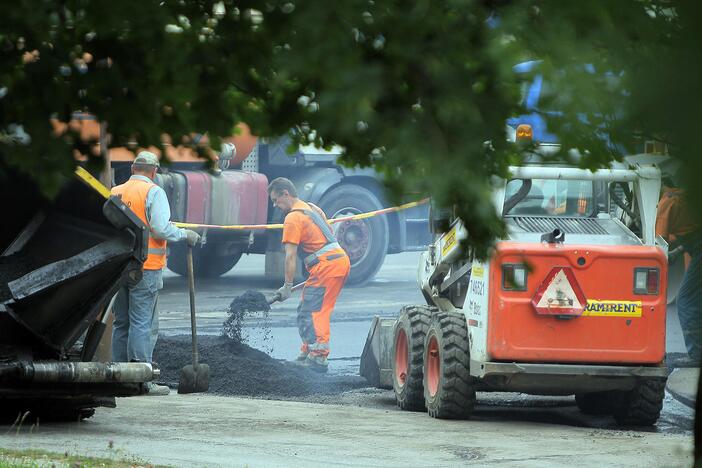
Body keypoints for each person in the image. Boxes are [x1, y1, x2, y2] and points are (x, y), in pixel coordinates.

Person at [110, 151, 201, 395]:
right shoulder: (154, 192)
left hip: (119, 267)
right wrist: (184, 234)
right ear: (154, 171)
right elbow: (160, 229)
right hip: (145, 267)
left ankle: (117, 378)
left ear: (132, 169)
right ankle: (140, 380)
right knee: (142, 322)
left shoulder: (115, 192)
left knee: (121, 323)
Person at [268, 177, 350, 373]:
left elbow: (290, 256)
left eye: (275, 200)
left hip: (326, 267)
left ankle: (318, 359)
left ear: (285, 194)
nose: (275, 205)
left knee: (313, 311)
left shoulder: (293, 218)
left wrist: (287, 285)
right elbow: (327, 235)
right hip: (337, 261)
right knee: (307, 308)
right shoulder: (311, 208)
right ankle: (307, 352)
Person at [656, 183, 702, 362]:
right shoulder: (682, 196)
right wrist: (677, 251)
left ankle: (696, 356)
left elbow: (657, 245)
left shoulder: (665, 204)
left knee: (686, 300)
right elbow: (693, 230)